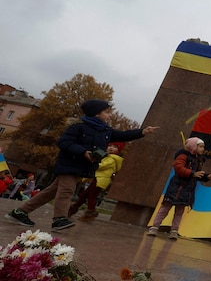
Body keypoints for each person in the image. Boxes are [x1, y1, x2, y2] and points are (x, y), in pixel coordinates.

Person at [7, 99, 158, 231]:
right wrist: (83, 152)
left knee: (51, 191)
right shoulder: (78, 127)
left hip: (81, 167)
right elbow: (64, 142)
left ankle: (20, 212)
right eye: (107, 112)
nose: (110, 115)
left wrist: (142, 132)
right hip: (69, 164)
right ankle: (59, 219)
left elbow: (123, 135)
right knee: (66, 191)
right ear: (96, 113)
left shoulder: (106, 131)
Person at [147, 137, 211, 239]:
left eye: (203, 147)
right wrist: (192, 173)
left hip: (187, 190)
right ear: (194, 146)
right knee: (165, 208)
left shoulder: (198, 159)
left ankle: (174, 231)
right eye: (201, 147)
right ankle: (154, 227)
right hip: (176, 187)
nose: (203, 149)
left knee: (179, 211)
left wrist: (206, 177)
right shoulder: (183, 155)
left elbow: (197, 173)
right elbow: (178, 167)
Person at [68, 143, 124, 221]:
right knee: (84, 195)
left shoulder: (112, 159)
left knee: (91, 196)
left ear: (119, 150)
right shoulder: (106, 157)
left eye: (114, 147)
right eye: (110, 146)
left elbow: (100, 166)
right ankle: (73, 208)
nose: (111, 148)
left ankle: (90, 212)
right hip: (97, 178)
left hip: (100, 180)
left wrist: (92, 163)